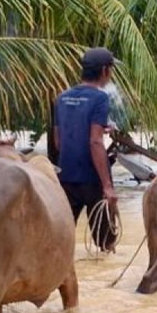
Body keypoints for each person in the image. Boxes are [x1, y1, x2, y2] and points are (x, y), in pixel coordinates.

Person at [53, 47, 118, 251]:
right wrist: (107, 186)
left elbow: (58, 141)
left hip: (65, 178)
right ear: (105, 70)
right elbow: (95, 142)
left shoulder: (61, 98)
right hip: (93, 179)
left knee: (61, 240)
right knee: (106, 245)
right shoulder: (100, 99)